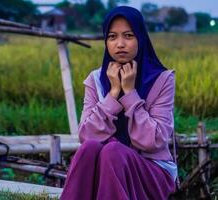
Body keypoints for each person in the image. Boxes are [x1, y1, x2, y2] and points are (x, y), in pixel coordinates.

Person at [60, 6, 177, 200]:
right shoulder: (96, 79)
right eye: (112, 37)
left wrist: (130, 93)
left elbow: (154, 141)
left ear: (141, 37)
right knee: (90, 148)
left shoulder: (162, 79)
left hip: (151, 172)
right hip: (104, 170)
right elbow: (86, 135)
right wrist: (113, 94)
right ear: (106, 41)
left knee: (113, 151)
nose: (120, 44)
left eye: (129, 36)